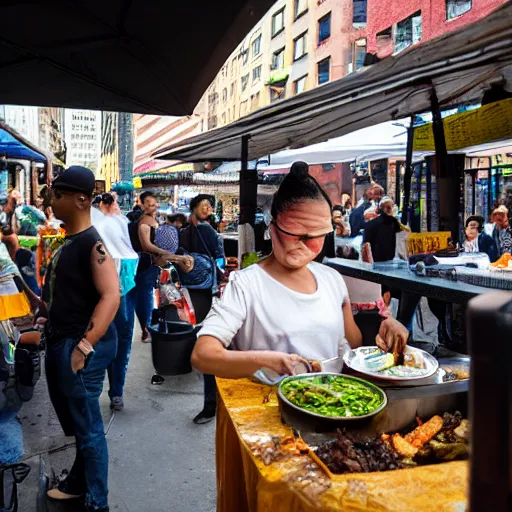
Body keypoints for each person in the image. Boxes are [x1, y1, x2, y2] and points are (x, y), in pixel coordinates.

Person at [191, 162, 408, 380]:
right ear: (273, 227)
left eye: (314, 237)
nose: (302, 244)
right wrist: (265, 360)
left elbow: (354, 345)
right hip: (269, 404)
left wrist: (384, 327)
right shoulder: (246, 284)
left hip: (335, 403)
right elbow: (203, 355)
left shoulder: (331, 279)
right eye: (293, 233)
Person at [42, 166, 120, 512]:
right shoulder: (71, 241)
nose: (52, 201)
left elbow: (111, 297)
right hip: (66, 340)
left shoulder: (93, 243)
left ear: (81, 200)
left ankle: (97, 502)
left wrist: (83, 348)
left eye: (57, 195)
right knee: (80, 424)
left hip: (82, 347)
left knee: (88, 430)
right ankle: (77, 483)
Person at [180, 194, 226, 424]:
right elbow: (221, 262)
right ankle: (211, 404)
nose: (207, 208)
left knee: (199, 334)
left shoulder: (183, 232)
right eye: (204, 205)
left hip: (189, 287)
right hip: (207, 290)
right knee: (209, 336)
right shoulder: (209, 232)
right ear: (194, 208)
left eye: (209, 205)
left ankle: (210, 404)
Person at [93, 193, 139, 412]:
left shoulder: (116, 225)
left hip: (117, 295)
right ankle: (106, 392)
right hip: (105, 295)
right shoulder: (101, 227)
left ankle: (113, 392)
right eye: (115, 203)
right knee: (109, 342)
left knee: (115, 342)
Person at [130, 191, 192, 342]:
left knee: (152, 297)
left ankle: (156, 326)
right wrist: (167, 253)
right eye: (148, 203)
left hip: (154, 264)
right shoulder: (144, 222)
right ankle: (146, 330)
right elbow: (147, 245)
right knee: (144, 298)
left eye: (154, 202)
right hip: (146, 264)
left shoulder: (156, 219)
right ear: (142, 204)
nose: (152, 205)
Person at [1, 227, 40, 296]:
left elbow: (13, 252)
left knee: (26, 280)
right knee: (29, 279)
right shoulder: (12, 236)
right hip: (20, 258)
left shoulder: (5, 238)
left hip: (17, 259)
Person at [363, 196, 401, 262]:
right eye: (387, 206)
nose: (389, 208)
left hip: (388, 257)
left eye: (390, 206)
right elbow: (366, 244)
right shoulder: (373, 223)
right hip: (378, 259)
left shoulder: (394, 222)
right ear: (381, 208)